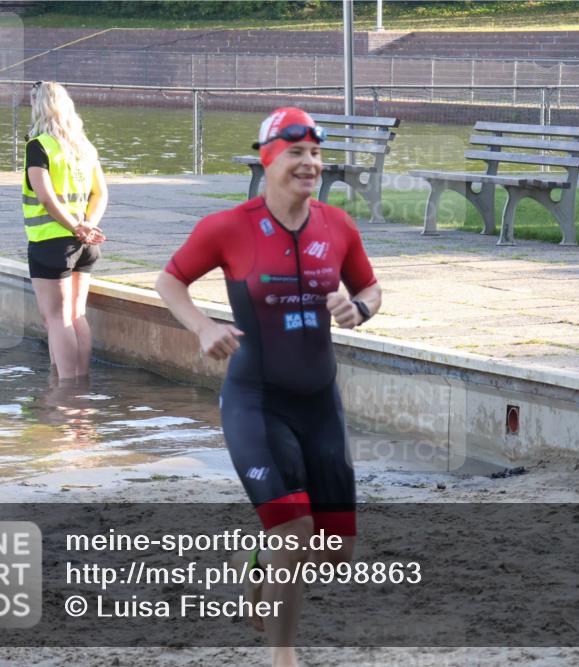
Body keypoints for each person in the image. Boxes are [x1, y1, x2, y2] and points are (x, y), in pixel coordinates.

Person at [156, 107, 382, 667]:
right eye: (296, 154)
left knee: (336, 549)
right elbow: (169, 280)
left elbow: (373, 289)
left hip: (319, 401)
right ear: (269, 159)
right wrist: (205, 327)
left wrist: (357, 308)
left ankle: (258, 563)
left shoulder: (338, 226)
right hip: (255, 401)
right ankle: (283, 657)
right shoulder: (228, 227)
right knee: (296, 529)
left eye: (315, 155)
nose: (310, 165)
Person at [23, 81, 108, 381]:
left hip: (51, 244)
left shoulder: (39, 146)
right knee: (76, 314)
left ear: (39, 107)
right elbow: (101, 193)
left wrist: (75, 226)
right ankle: (77, 380)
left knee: (56, 319)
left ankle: (65, 390)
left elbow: (45, 198)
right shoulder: (84, 147)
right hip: (84, 245)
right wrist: (87, 226)